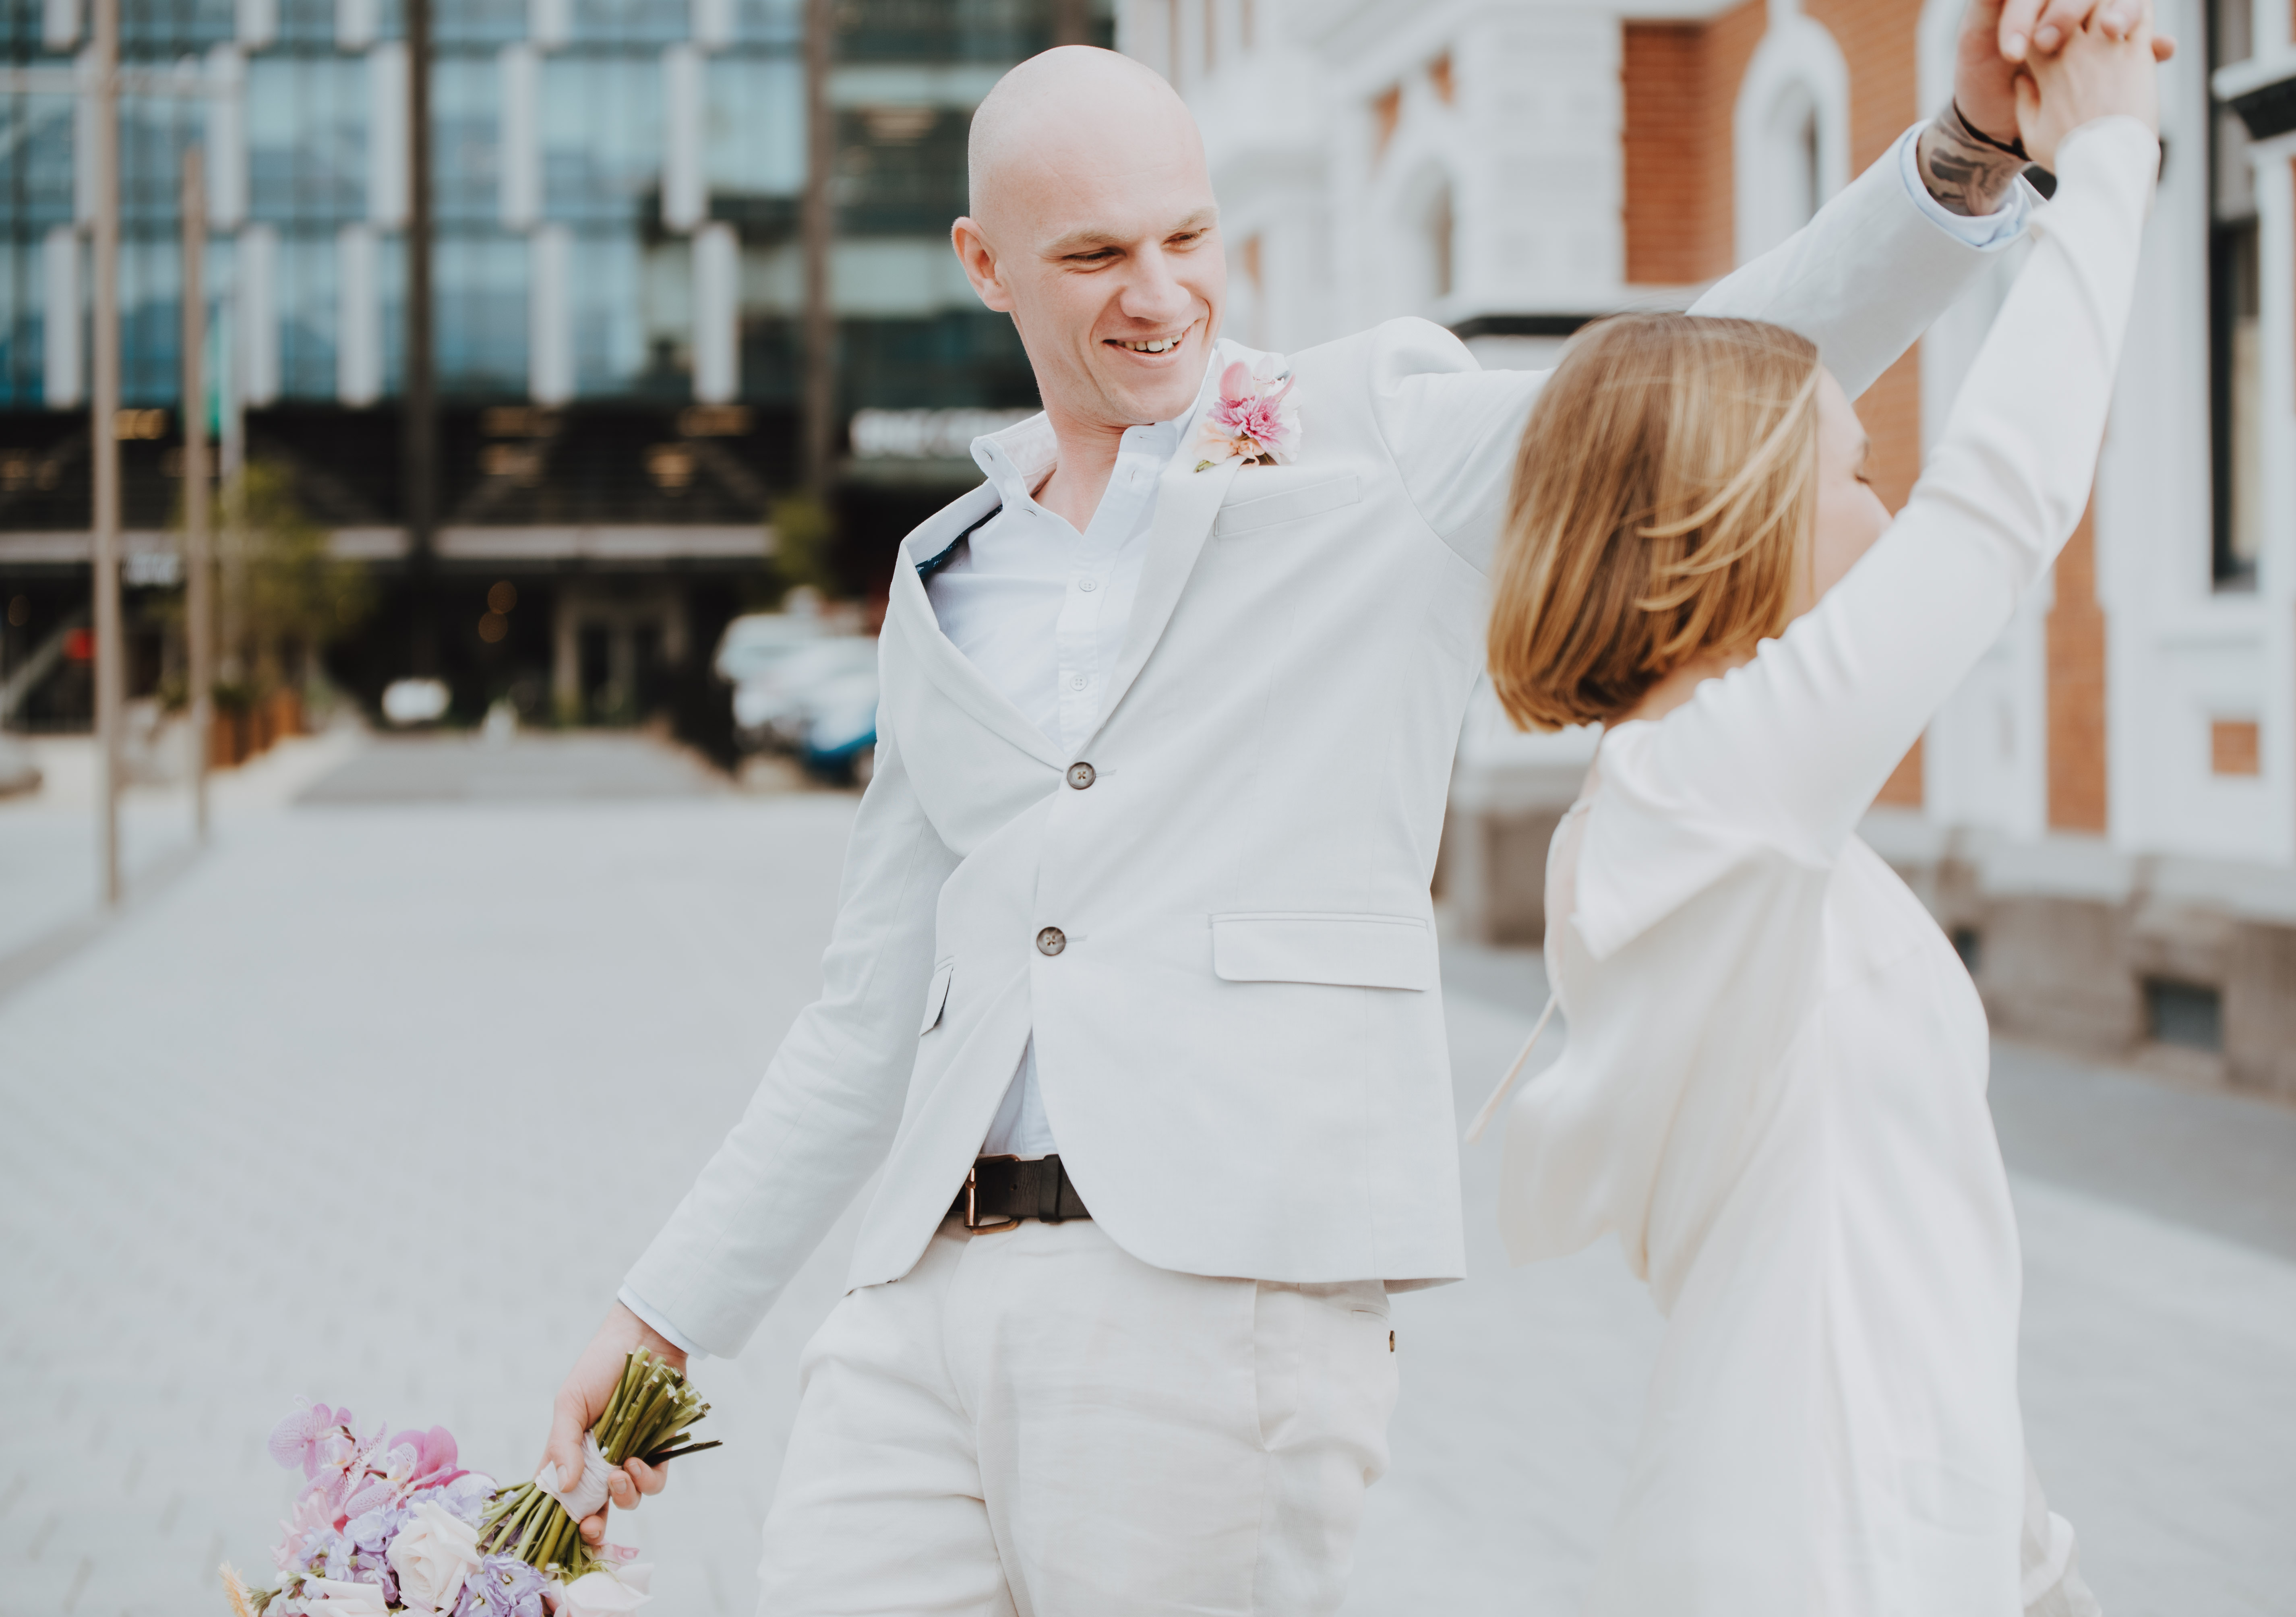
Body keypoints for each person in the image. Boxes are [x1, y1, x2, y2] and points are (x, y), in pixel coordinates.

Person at [542, 2, 2162, 1610]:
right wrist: (660, 1315)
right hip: (916, 1291)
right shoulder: (943, 574)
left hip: (1215, 1281)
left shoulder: (1368, 430)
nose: (1162, 292)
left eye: (1189, 235)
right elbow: (860, 1013)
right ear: (986, 265)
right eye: (1099, 256)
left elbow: (1686, 396)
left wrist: (1965, 160)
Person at [1472, 11, 2160, 1614]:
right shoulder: (1709, 793)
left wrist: (2026, 1550)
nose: (1882, 505)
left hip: (1889, 1530)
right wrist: (2108, 153)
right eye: (1849, 472)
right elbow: (2000, 501)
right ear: (1738, 519)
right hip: (1816, 1547)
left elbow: (1892, 1240)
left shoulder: (1716, 812)